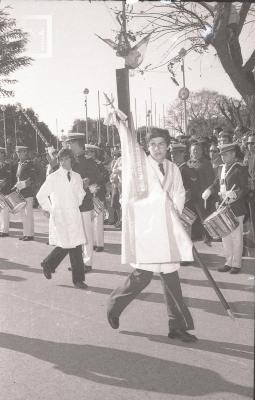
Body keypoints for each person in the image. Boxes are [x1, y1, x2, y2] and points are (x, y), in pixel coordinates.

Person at [107, 125, 197, 343]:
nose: (157, 149)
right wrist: (159, 204)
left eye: (161, 145)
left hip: (168, 231)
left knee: (171, 278)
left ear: (168, 147)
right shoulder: (141, 168)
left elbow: (179, 192)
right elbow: (132, 198)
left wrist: (174, 208)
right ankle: (114, 306)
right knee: (143, 276)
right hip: (148, 230)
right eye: (153, 145)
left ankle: (177, 326)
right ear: (148, 147)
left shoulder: (173, 168)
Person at [36, 148, 87, 289]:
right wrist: (50, 209)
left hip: (74, 214)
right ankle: (49, 264)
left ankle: (77, 280)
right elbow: (40, 195)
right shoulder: (53, 177)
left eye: (67, 158)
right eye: (61, 159)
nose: (64, 162)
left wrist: (77, 201)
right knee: (67, 244)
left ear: (72, 159)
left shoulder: (77, 176)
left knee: (75, 245)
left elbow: (81, 194)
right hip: (60, 215)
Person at [202, 143, 249, 273]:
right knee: (225, 237)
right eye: (222, 155)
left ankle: (236, 264)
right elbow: (217, 183)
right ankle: (228, 262)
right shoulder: (221, 168)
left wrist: (235, 194)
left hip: (236, 207)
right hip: (223, 208)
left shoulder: (240, 168)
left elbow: (245, 187)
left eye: (226, 154)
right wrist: (209, 190)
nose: (223, 157)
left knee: (236, 237)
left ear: (233, 154)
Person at [66, 134, 104, 272]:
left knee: (86, 233)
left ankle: (87, 263)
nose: (69, 145)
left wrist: (86, 181)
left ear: (78, 144)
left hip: (84, 202)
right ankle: (78, 262)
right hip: (72, 202)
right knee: (76, 233)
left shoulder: (88, 161)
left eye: (71, 143)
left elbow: (95, 177)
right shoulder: (70, 160)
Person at [187, 141, 215, 244]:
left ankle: (207, 236)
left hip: (202, 194)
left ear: (202, 151)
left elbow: (211, 179)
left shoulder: (206, 163)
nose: (196, 151)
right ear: (190, 151)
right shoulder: (189, 163)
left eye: (198, 149)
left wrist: (207, 191)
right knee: (191, 217)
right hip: (191, 195)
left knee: (204, 217)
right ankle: (195, 234)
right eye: (194, 150)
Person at [14, 145, 36, 241]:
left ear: (25, 152)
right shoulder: (19, 164)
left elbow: (32, 177)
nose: (19, 154)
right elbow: (18, 177)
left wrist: (22, 184)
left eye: (21, 152)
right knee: (23, 214)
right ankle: (25, 233)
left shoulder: (29, 163)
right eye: (18, 152)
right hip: (21, 192)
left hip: (27, 191)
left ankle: (30, 234)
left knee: (28, 213)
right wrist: (16, 186)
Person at [0, 147, 13, 237]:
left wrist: (3, 182)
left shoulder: (8, 165)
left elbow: (10, 178)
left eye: (1, 154)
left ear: (3, 155)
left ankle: (5, 231)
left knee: (4, 211)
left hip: (5, 191)